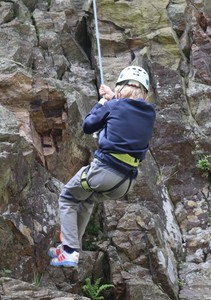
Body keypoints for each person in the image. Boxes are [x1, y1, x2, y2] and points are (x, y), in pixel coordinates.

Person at [48, 66, 156, 267]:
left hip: (104, 171)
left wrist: (103, 101)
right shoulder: (150, 114)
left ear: (121, 87)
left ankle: (70, 251)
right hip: (126, 182)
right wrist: (112, 99)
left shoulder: (113, 105)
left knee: (68, 197)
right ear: (144, 93)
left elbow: (88, 126)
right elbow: (126, 112)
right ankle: (71, 249)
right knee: (86, 201)